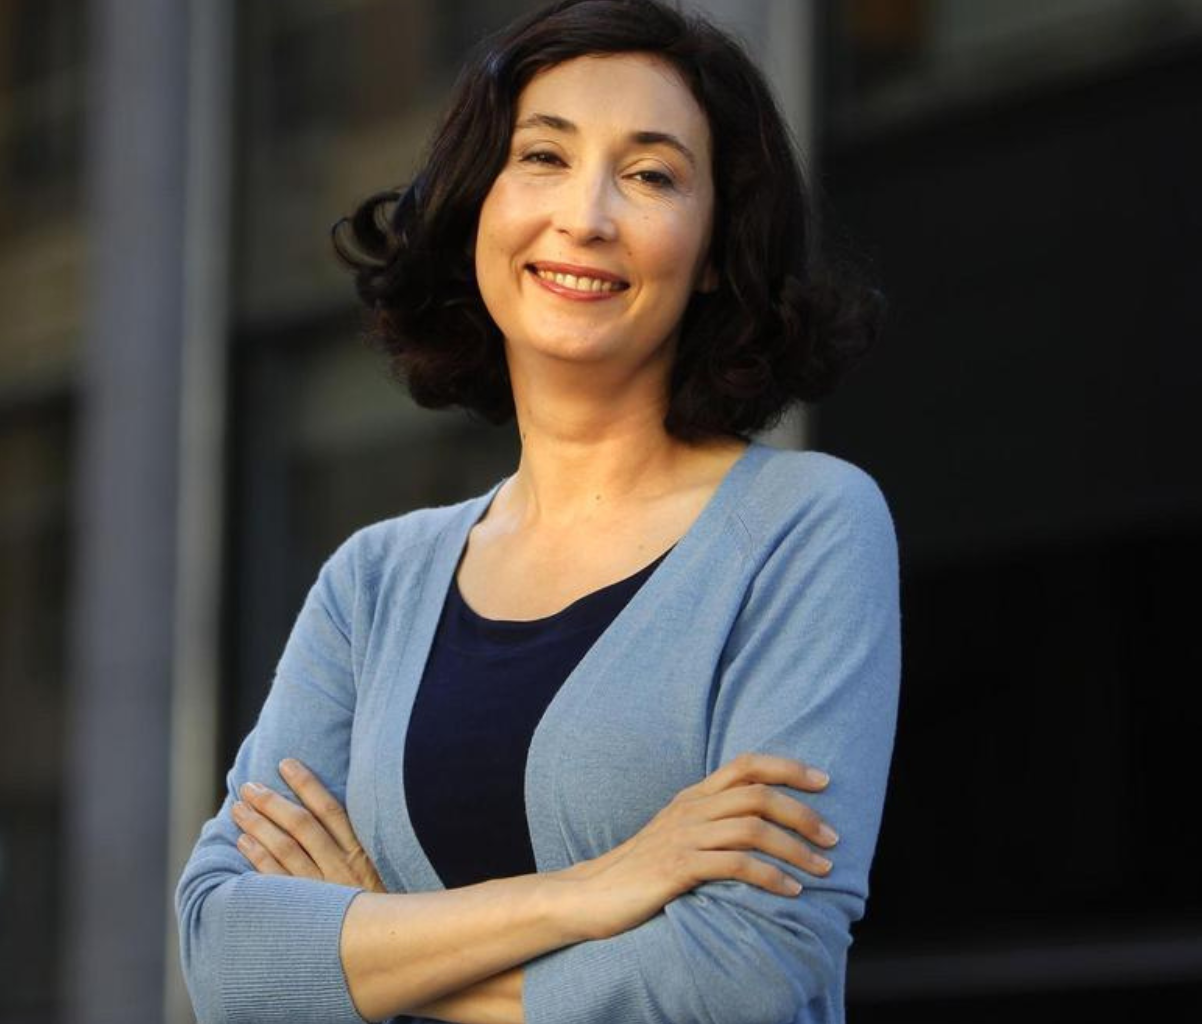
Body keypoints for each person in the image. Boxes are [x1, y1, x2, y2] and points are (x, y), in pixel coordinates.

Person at [175, 2, 898, 1022]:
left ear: (716, 243)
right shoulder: (373, 583)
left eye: (649, 174)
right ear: (480, 202)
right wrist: (596, 889)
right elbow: (227, 958)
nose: (587, 215)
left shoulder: (803, 527)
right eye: (543, 157)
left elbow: (747, 973)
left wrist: (382, 955)